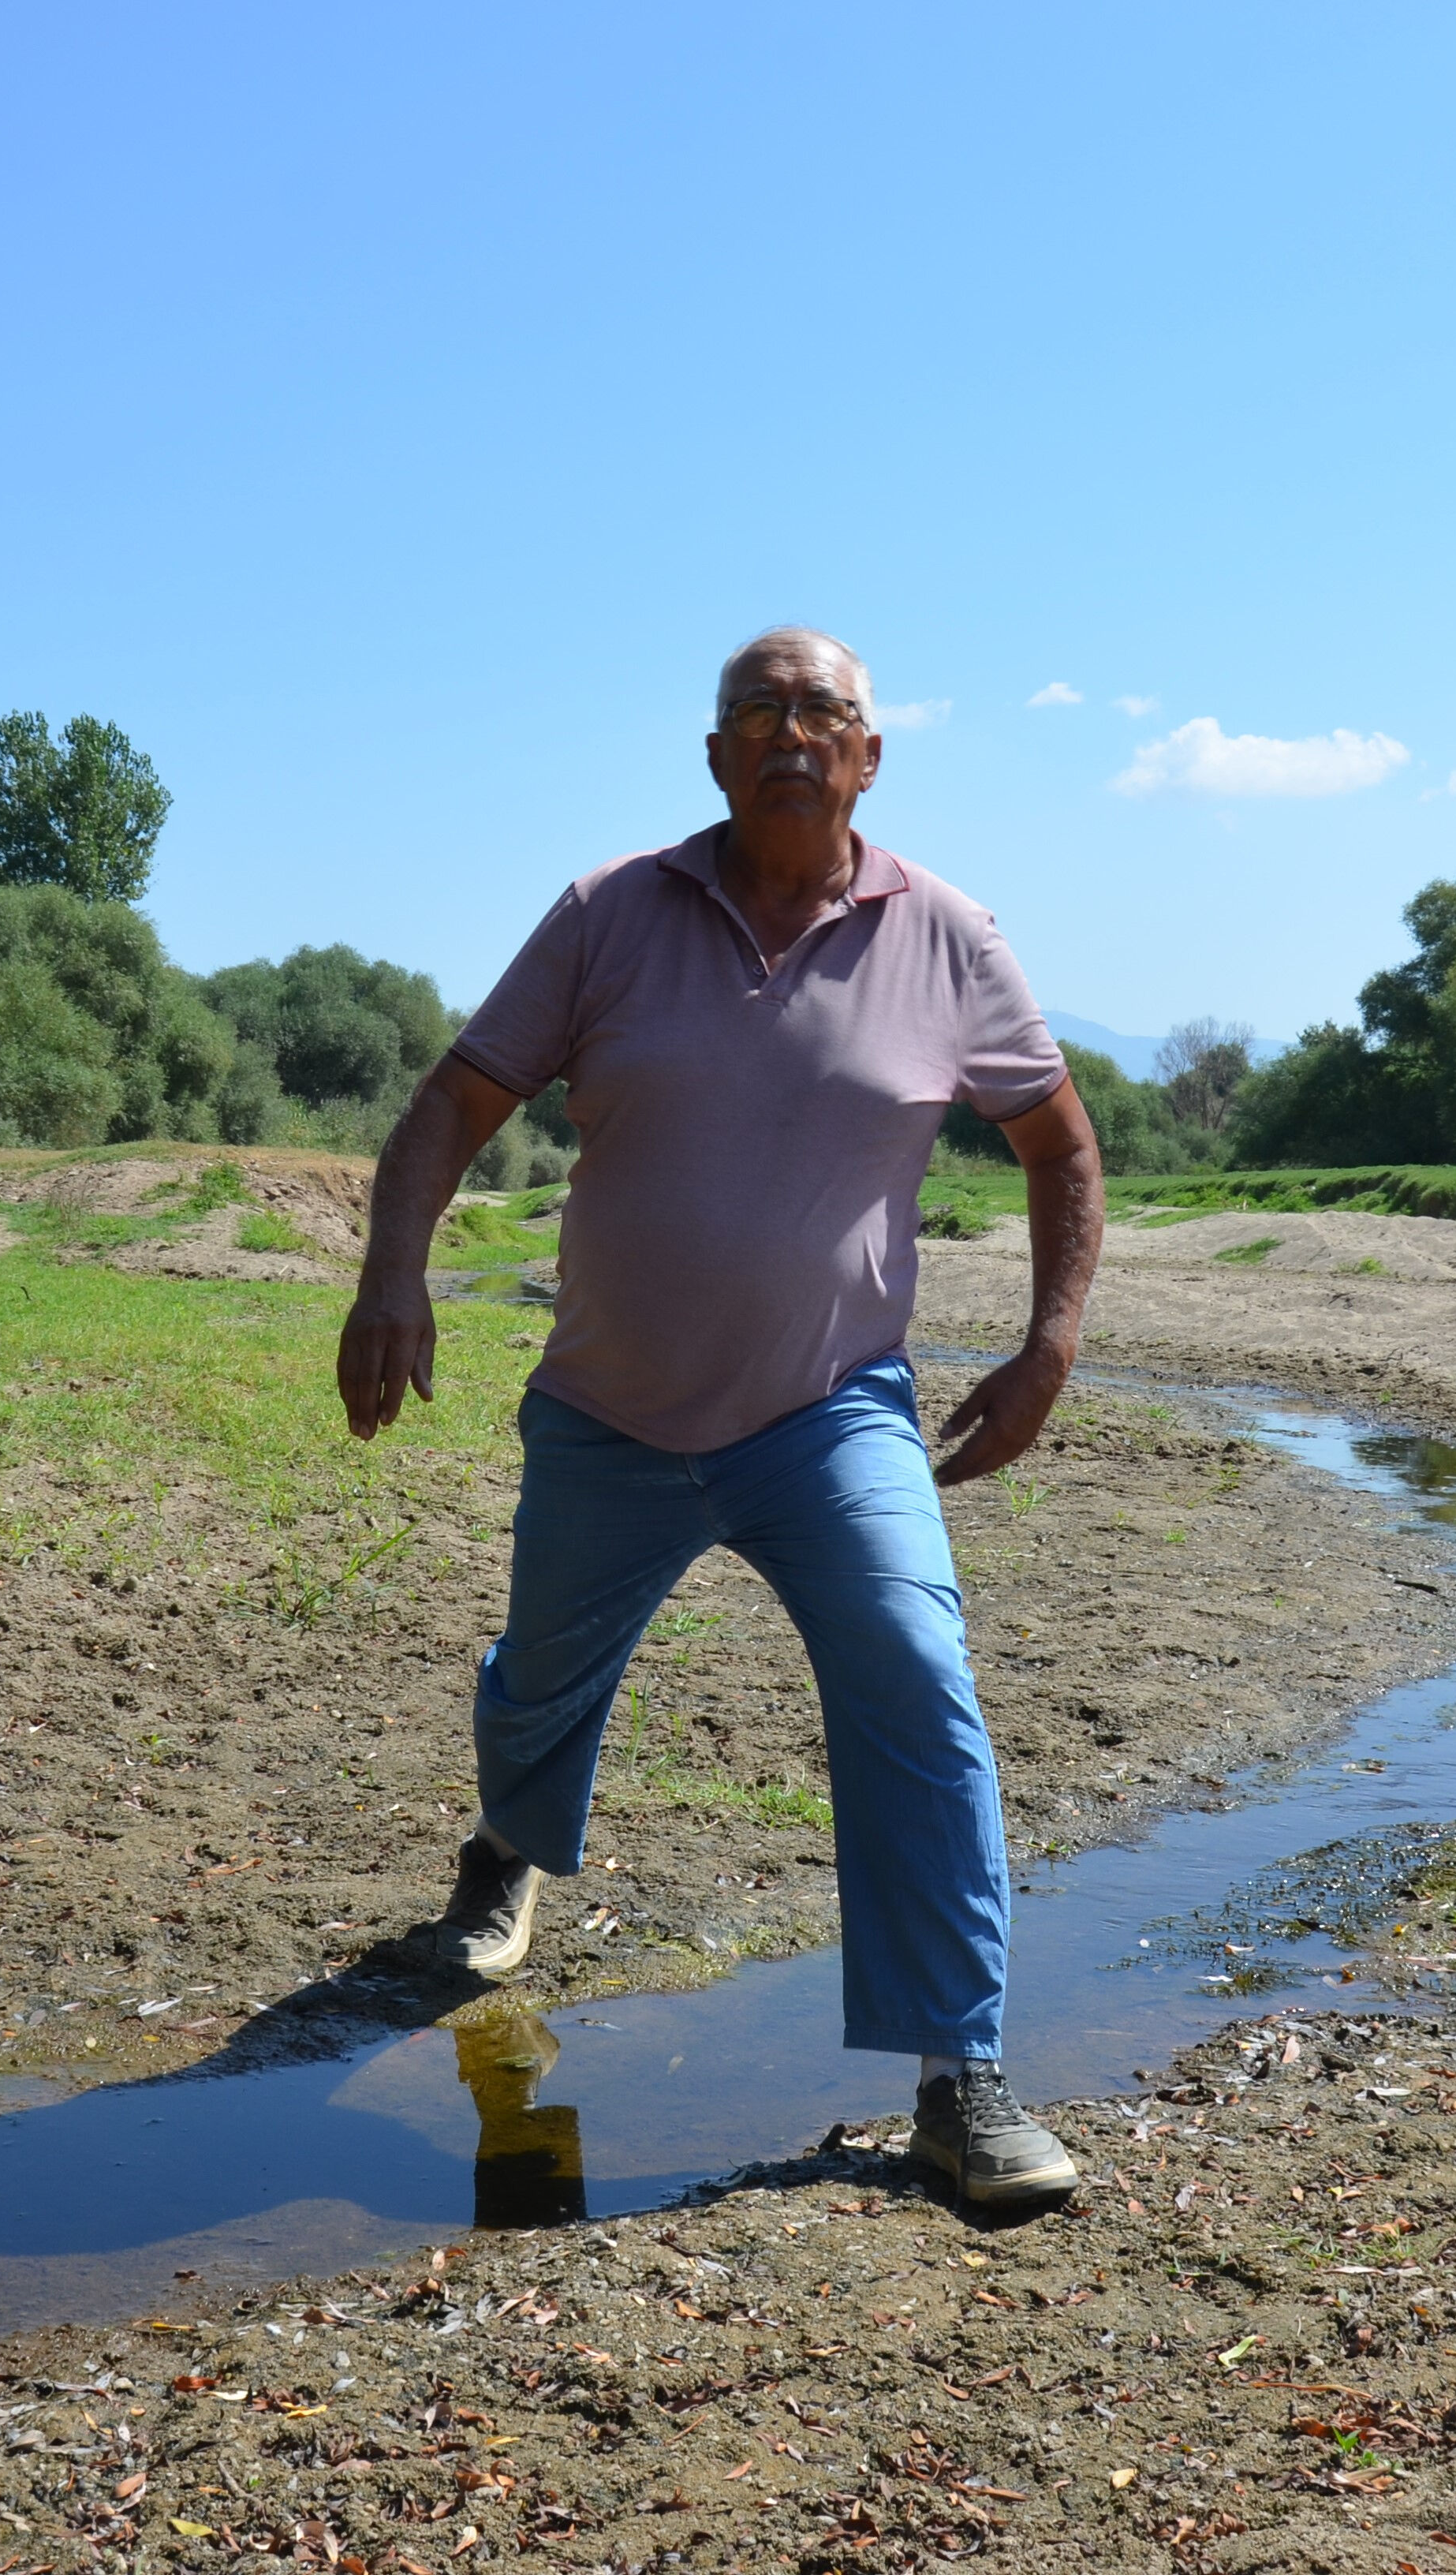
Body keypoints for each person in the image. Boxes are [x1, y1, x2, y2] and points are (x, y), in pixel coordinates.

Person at [336, 626, 1105, 2207]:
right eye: (753, 712)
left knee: (916, 1675)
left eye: (821, 711)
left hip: (830, 1415)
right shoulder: (610, 914)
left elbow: (1060, 1146)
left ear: (869, 756)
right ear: (711, 756)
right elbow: (453, 1103)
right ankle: (506, 1855)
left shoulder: (948, 937)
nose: (787, 734)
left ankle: (958, 2077)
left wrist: (1048, 1344)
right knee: (543, 1676)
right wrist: (390, 1274)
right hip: (610, 1410)